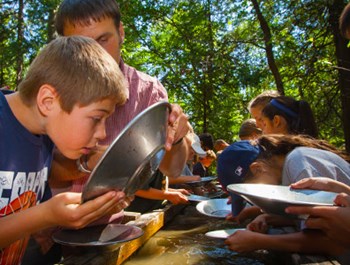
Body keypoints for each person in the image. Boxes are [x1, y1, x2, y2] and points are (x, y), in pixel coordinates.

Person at [0, 36, 129, 264]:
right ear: (48, 102)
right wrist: (44, 215)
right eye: (97, 118)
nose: (102, 133)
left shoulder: (46, 137)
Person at [218, 135, 350, 257]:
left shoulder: (299, 164)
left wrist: (259, 241)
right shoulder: (288, 170)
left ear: (257, 169)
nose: (254, 199)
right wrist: (267, 218)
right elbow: (310, 218)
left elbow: (330, 241)